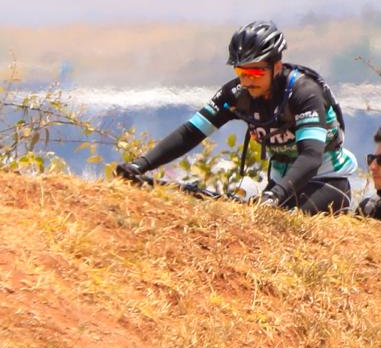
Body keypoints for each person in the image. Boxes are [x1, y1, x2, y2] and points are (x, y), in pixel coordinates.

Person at [115, 20, 357, 214]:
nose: (247, 79)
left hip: (326, 179)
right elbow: (191, 133)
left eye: (255, 71)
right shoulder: (237, 93)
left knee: (276, 224)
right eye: (241, 71)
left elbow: (311, 156)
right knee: (251, 218)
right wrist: (141, 165)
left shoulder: (304, 93)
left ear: (277, 65)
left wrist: (276, 195)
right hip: (282, 181)